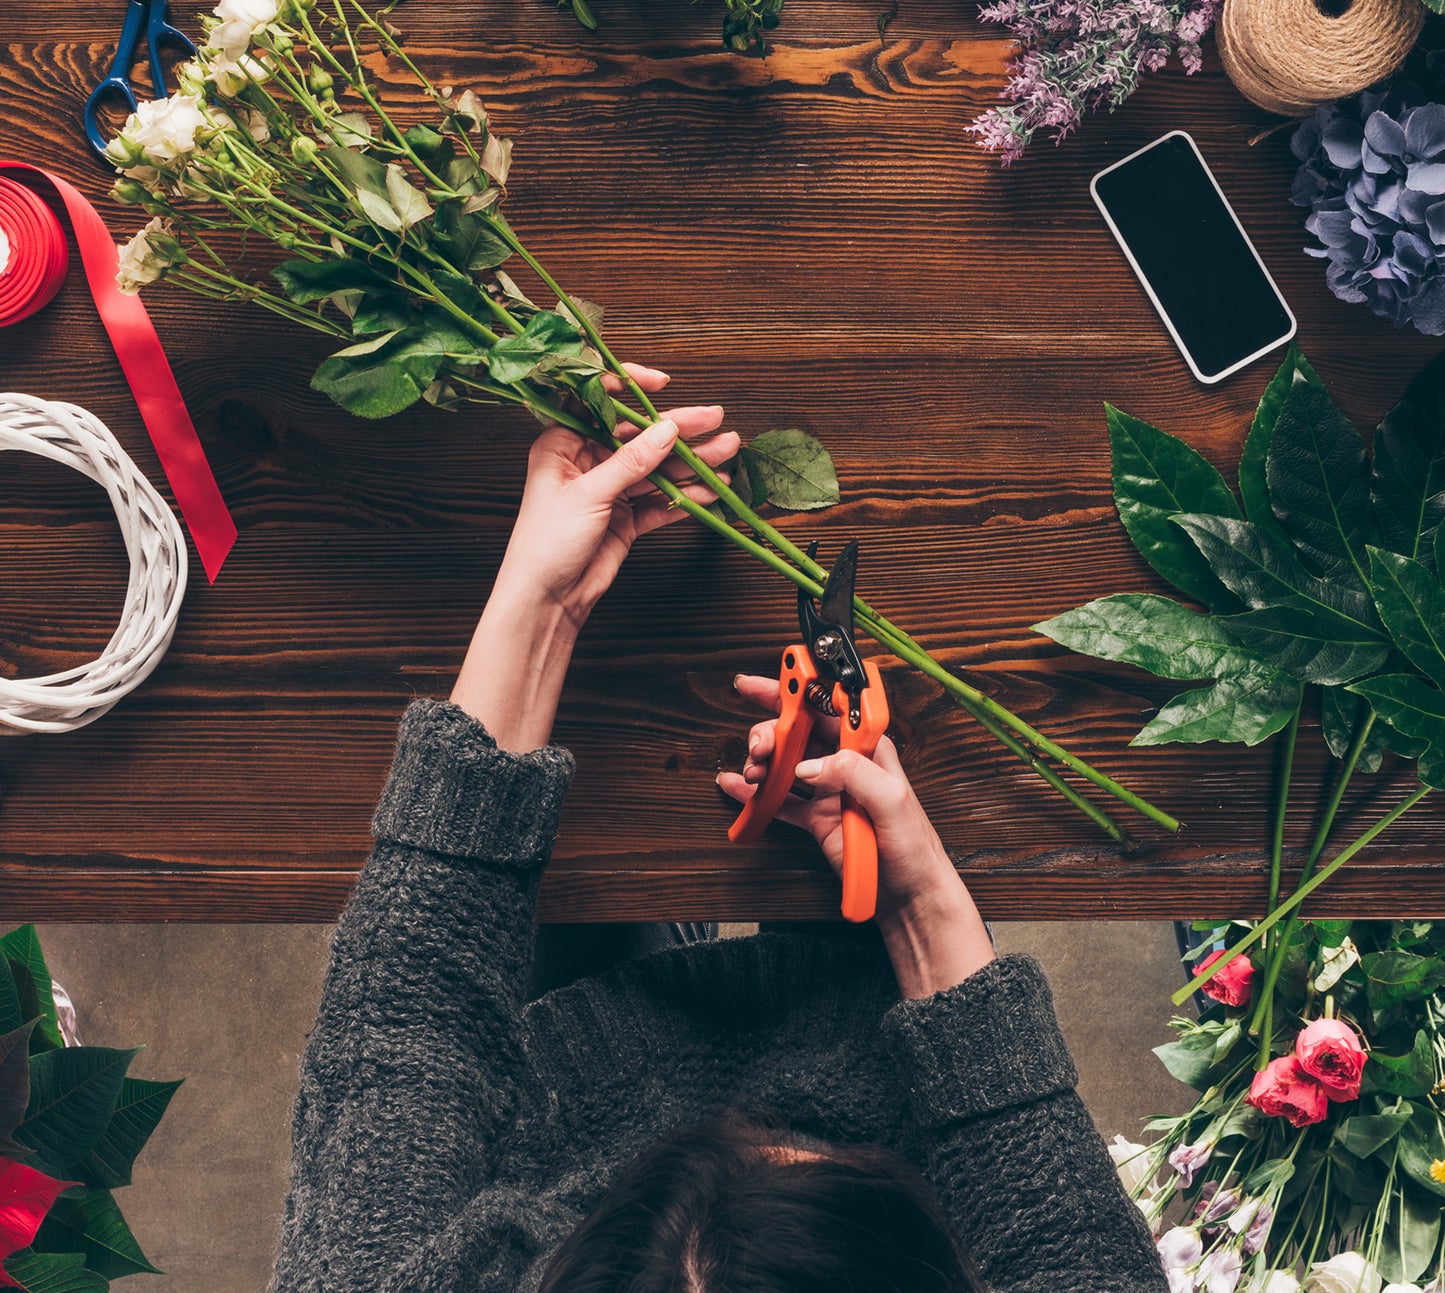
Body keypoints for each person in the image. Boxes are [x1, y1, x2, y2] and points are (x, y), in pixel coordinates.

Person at [270, 367, 1168, 1293]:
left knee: (585, 895)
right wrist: (921, 903)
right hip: (884, 1088)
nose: (742, 1136)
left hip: (575, 1093)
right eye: (795, 1162)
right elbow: (1061, 1235)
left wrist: (540, 605)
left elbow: (408, 1029)